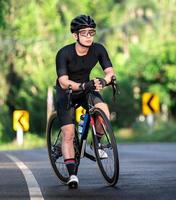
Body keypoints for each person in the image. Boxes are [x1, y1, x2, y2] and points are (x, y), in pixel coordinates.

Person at [55, 14, 115, 189]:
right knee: (69, 133)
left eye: (92, 32)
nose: (89, 36)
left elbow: (110, 72)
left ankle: (96, 142)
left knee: (103, 110)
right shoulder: (64, 53)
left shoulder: (99, 49)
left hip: (86, 89)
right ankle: (72, 174)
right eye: (85, 33)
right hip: (66, 93)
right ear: (75, 35)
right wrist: (82, 85)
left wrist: (104, 81)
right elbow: (63, 81)